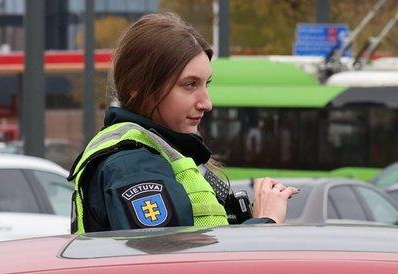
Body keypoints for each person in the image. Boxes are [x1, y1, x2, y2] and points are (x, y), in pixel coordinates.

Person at [69, 13, 293, 233]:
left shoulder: (156, 156)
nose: (207, 103)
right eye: (189, 85)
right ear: (137, 89)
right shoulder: (132, 166)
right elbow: (168, 255)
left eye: (206, 84)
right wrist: (266, 223)